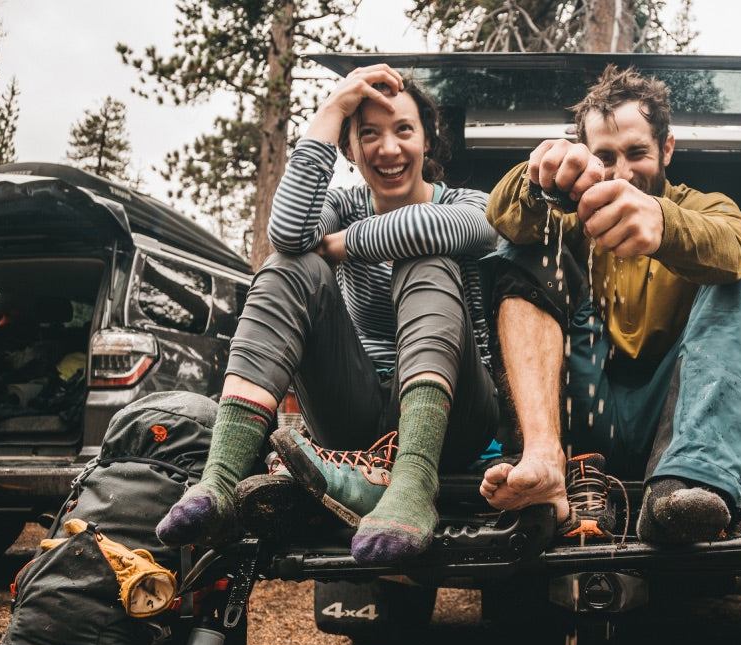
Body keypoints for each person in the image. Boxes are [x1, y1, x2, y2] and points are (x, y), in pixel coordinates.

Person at [156, 64, 500, 565]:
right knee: (289, 266)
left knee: (425, 257)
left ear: (427, 141)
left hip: (458, 419)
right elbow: (290, 235)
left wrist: (341, 246)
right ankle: (222, 479)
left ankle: (414, 480)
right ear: (350, 150)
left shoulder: (470, 205)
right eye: (368, 135)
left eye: (404, 130)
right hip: (355, 416)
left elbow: (429, 228)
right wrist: (330, 110)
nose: (388, 148)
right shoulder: (342, 204)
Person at [479, 65, 741, 544]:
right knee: (520, 250)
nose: (622, 173)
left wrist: (663, 225)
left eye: (637, 153)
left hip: (670, 420)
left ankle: (684, 485)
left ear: (666, 149)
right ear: (583, 153)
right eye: (604, 155)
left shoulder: (706, 206)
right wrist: (539, 179)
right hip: (582, 417)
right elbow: (503, 217)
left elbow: (734, 245)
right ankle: (543, 462)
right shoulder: (567, 213)